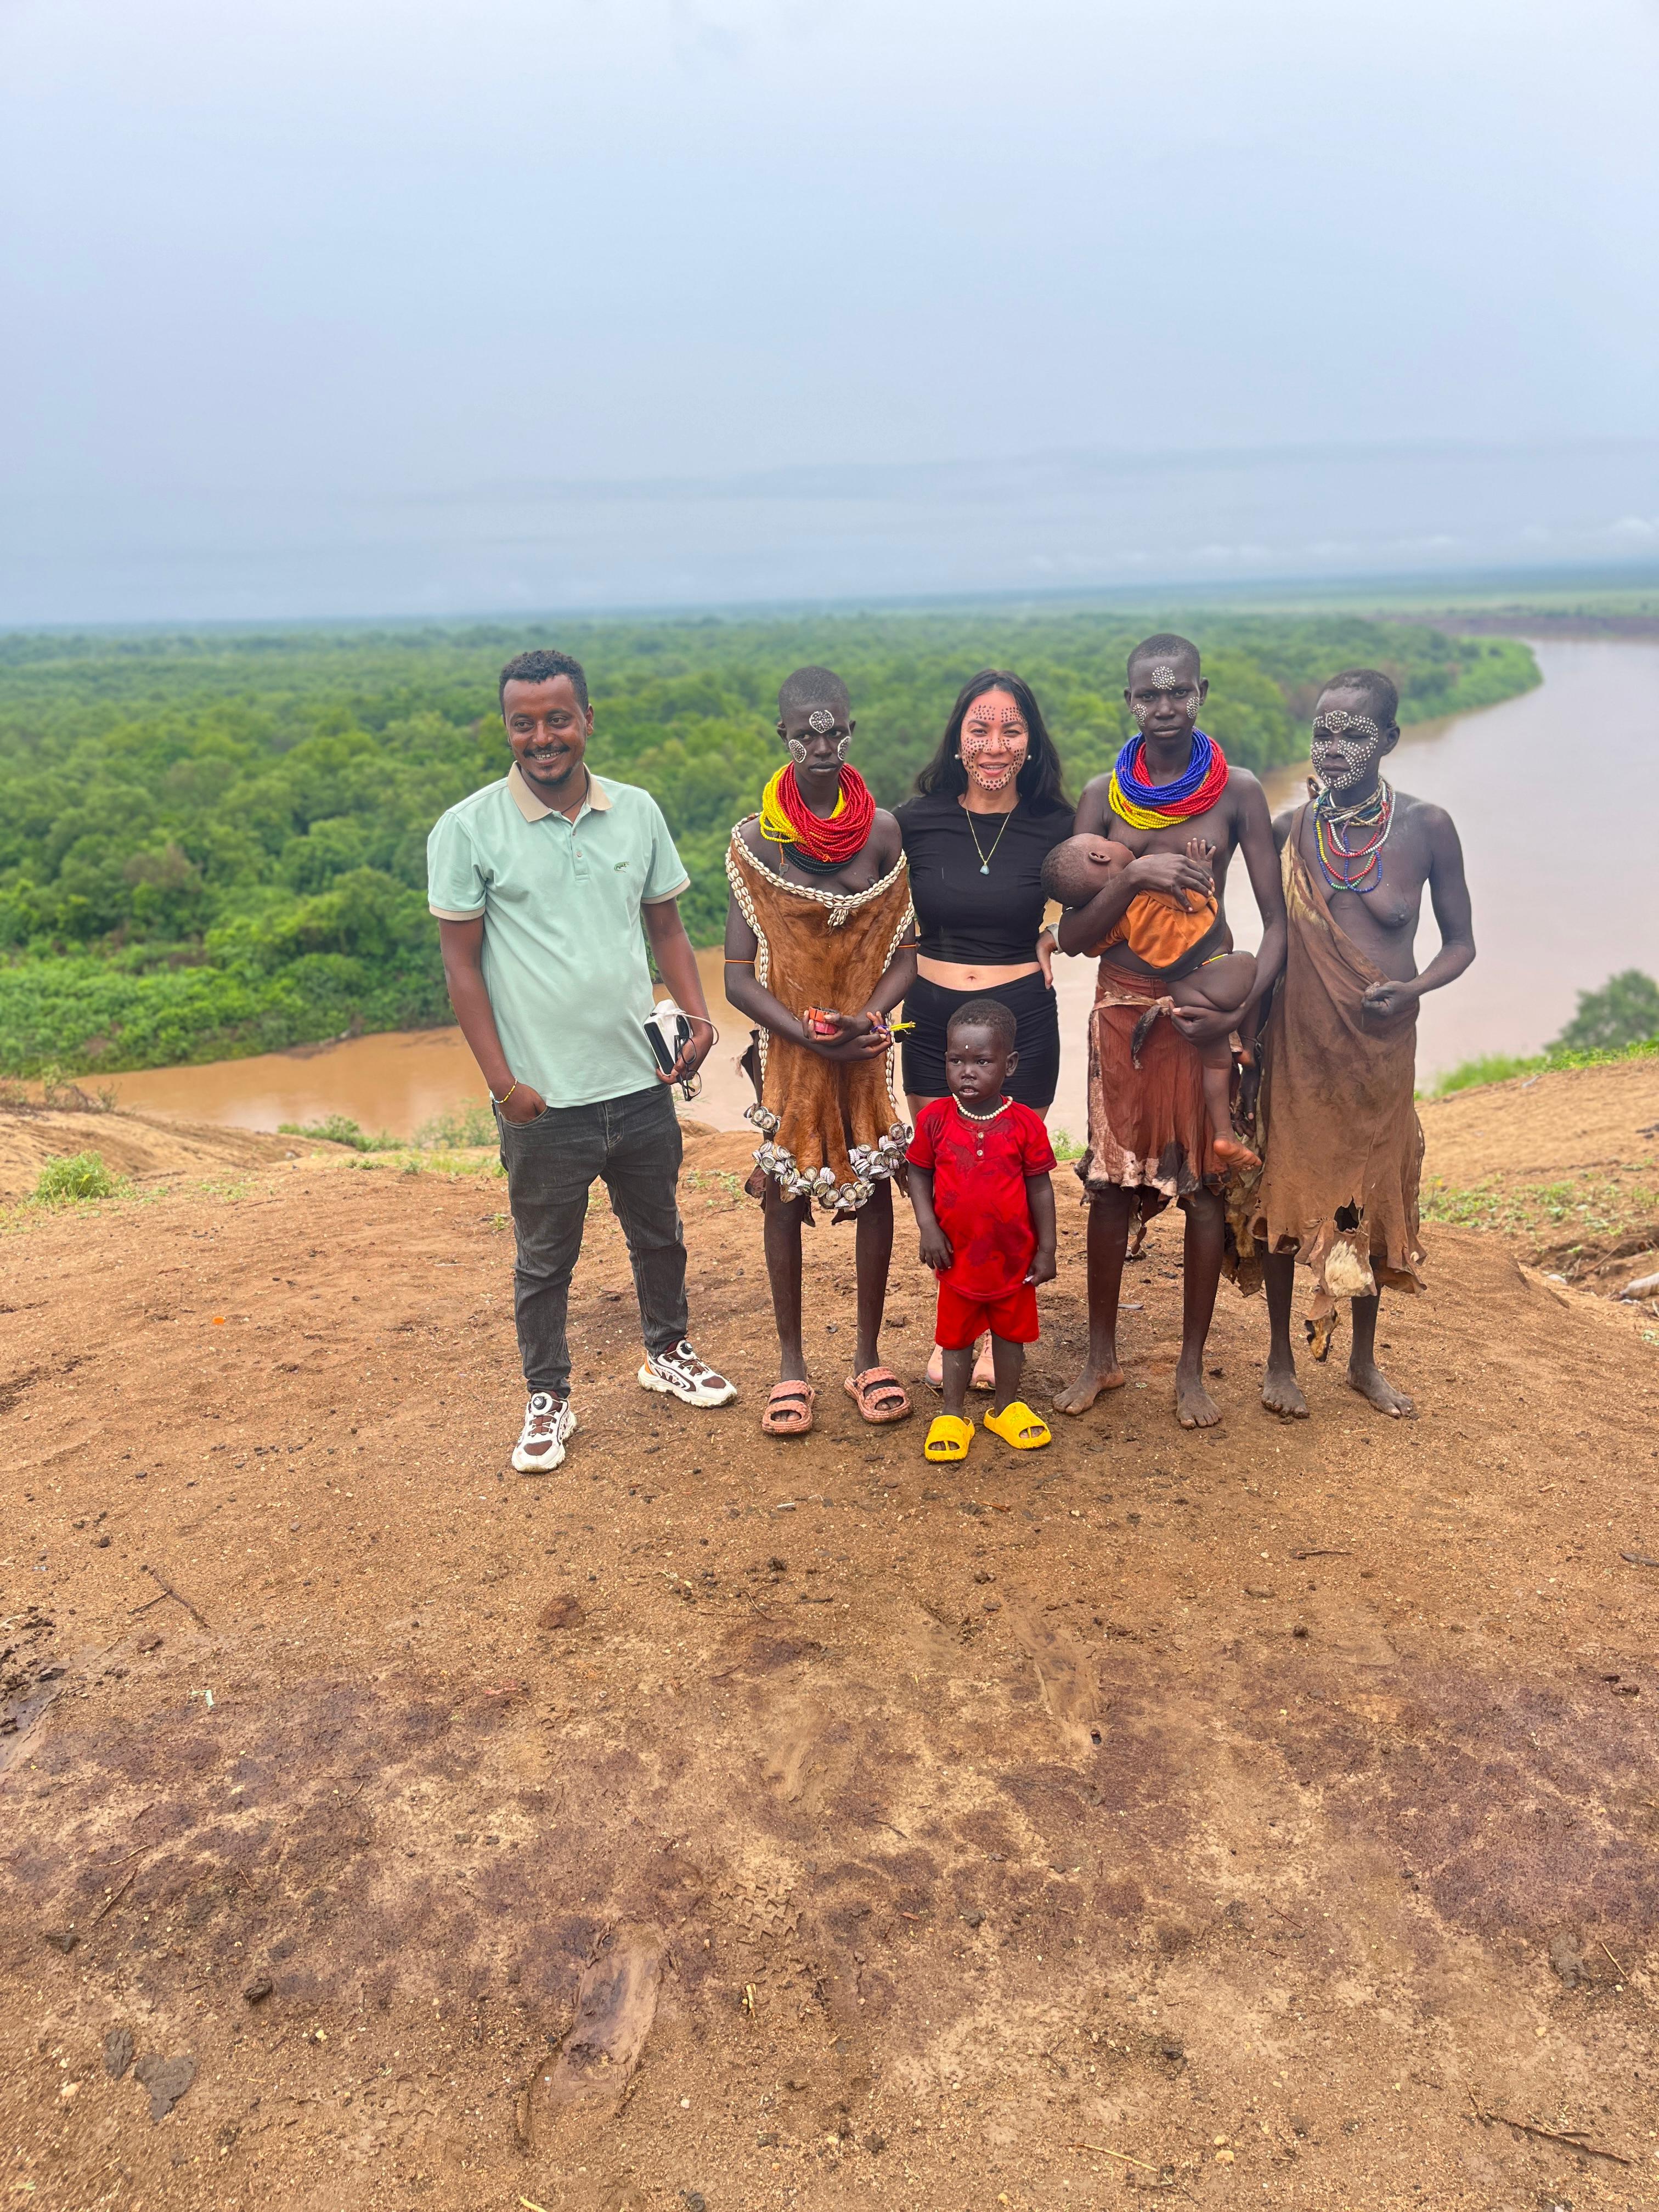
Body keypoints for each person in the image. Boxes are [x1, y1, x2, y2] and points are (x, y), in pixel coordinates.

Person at [427, 646, 736, 1476]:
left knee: (659, 1234)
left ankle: (667, 1352)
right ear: (506, 729)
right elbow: (461, 968)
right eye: (523, 723)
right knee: (544, 1260)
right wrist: (505, 1087)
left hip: (640, 1081)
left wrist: (699, 1017)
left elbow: (666, 927)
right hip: (543, 1098)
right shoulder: (467, 829)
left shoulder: (636, 812)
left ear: (587, 721)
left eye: (558, 719)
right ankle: (548, 1397)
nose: (542, 738)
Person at [1049, 633, 1286, 1430]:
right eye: (1148, 694)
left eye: (1177, 691)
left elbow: (1276, 923)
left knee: (1205, 1189)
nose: (1163, 706)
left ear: (1201, 693)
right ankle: (1100, 1357)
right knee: (1111, 1187)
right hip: (1121, 1007)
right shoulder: (1101, 799)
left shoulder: (1239, 793)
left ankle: (1191, 1368)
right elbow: (1074, 934)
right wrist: (1138, 876)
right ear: (1129, 702)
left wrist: (1240, 1012)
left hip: (1204, 1006)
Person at [1239, 669, 1474, 1420]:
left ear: (1391, 740)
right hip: (1300, 1048)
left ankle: (1363, 1361)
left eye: (1354, 733)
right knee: (1287, 1192)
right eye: (1323, 732)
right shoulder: (1289, 831)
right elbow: (1275, 941)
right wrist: (1240, 1031)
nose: (1333, 747)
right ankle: (1281, 1359)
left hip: (1380, 1054)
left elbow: (1462, 945)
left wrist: (1413, 989)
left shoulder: (1428, 827)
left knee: (1365, 1201)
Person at [723, 666, 918, 1438]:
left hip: (864, 1046)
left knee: (873, 1189)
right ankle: (791, 1364)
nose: (822, 745)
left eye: (834, 731)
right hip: (791, 1050)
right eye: (806, 733)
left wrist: (867, 1019)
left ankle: (867, 1357)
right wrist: (804, 1033)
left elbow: (907, 952)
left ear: (851, 732)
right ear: (784, 736)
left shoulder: (883, 833)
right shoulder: (755, 841)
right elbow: (738, 978)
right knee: (784, 1195)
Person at [893, 670, 1074, 1391]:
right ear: (957, 740)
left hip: (1021, 1021)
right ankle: (955, 1330)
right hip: (930, 1021)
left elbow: (1111, 885)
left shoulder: (1058, 825)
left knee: (1005, 1186)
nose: (994, 744)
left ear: (1031, 743)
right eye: (980, 729)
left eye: (1011, 729)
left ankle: (1003, 1332)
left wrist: (1062, 933)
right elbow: (860, 890)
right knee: (949, 1184)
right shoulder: (915, 820)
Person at [1042, 832, 1260, 1170]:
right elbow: (1195, 900)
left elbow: (1091, 945)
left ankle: (1223, 1135)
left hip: (1184, 990)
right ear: (1100, 857)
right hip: (1217, 977)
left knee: (1215, 1063)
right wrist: (1203, 872)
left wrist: (1053, 935)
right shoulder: (1154, 884)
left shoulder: (1118, 919)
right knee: (1251, 965)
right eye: (1103, 840)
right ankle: (1246, 1043)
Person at [906, 1000, 1058, 1463]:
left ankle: (1005, 1407)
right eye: (956, 1060)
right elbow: (918, 1173)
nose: (967, 1072)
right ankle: (953, 1414)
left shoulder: (1025, 1123)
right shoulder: (935, 1119)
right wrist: (928, 1227)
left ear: (1009, 1064)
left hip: (1013, 1258)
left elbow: (1041, 1188)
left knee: (1010, 1337)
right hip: (957, 1257)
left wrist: (1047, 1250)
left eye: (982, 1062)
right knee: (955, 1339)